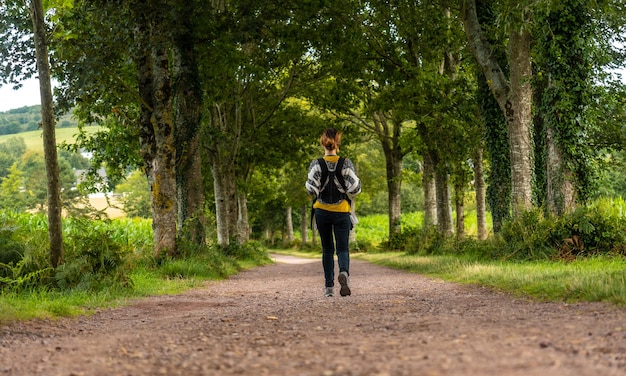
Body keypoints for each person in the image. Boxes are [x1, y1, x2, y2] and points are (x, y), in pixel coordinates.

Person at [305, 128, 361, 297]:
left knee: (327, 249)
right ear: (338, 143)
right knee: (342, 249)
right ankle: (344, 273)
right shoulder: (345, 163)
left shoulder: (316, 164)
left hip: (321, 212)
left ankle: (329, 288)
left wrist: (319, 191)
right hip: (342, 211)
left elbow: (310, 189)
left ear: (323, 143)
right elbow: (355, 189)